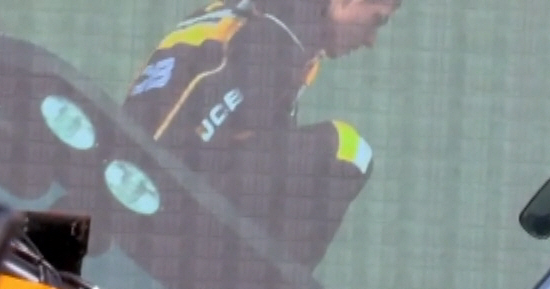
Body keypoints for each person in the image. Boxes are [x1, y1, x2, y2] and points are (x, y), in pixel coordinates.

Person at [121, 0, 403, 267]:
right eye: (376, 21)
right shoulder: (279, 35)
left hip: (131, 179)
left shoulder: (253, 14)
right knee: (350, 150)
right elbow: (193, 130)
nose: (371, 41)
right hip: (158, 206)